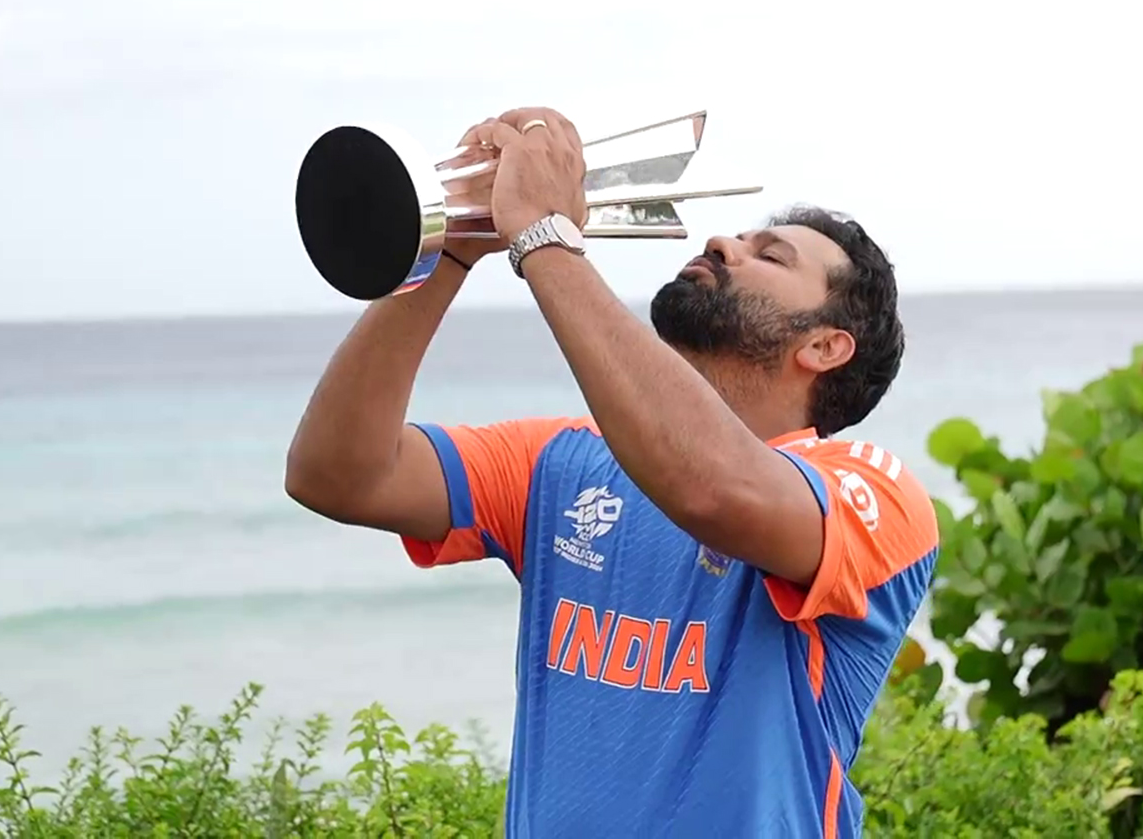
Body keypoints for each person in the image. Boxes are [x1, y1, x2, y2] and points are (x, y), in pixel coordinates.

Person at [285, 106, 939, 838]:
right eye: (739, 235)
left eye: (771, 255)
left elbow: (715, 489)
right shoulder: (563, 461)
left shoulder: (871, 494)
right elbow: (336, 474)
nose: (723, 241)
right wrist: (452, 249)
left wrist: (545, 238)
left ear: (825, 346)